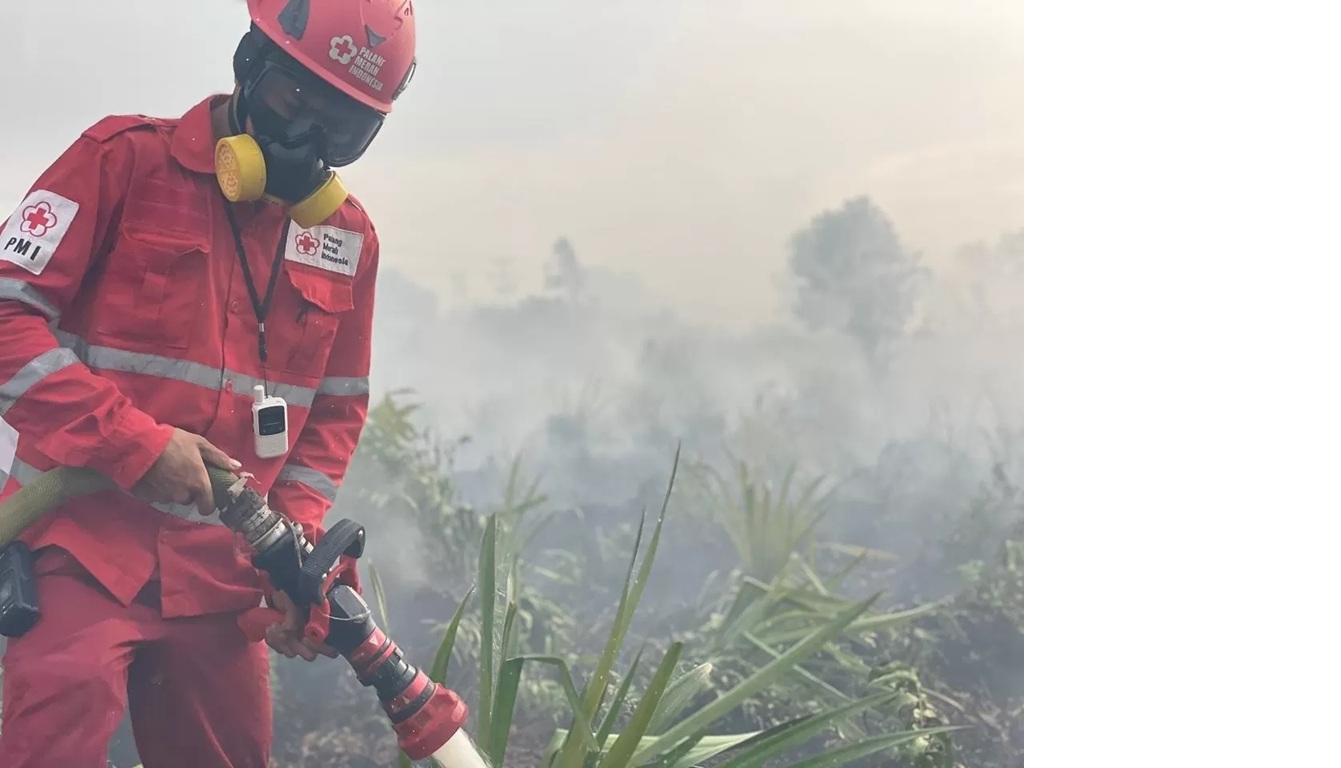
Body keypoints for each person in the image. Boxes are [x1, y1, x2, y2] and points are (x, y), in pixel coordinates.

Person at [0, 1, 478, 766]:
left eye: (340, 129)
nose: (305, 142)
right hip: (81, 547)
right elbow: (7, 314)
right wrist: (133, 443)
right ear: (250, 64)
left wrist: (296, 541)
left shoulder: (345, 237)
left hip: (220, 574)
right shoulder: (122, 162)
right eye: (294, 101)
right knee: (61, 717)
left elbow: (335, 410)